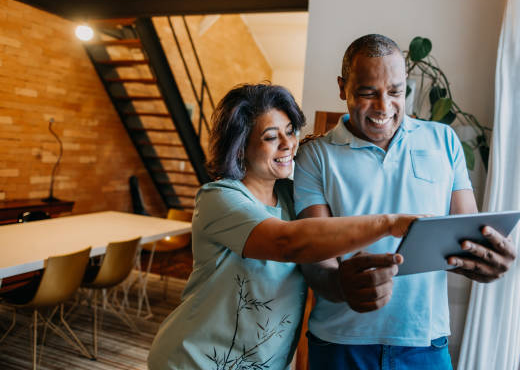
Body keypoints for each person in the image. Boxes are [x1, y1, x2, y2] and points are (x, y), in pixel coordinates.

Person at [147, 84, 421, 370]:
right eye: (270, 137)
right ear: (240, 147)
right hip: (193, 360)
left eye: (290, 131)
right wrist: (389, 223)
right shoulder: (219, 198)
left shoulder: (294, 196)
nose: (288, 143)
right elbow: (286, 243)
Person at [293, 34, 517, 369]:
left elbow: (465, 235)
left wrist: (484, 261)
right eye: (368, 93)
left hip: (424, 343)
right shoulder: (315, 156)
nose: (384, 107)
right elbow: (314, 255)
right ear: (343, 88)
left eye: (396, 91)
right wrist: (340, 283)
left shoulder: (444, 141)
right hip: (341, 343)